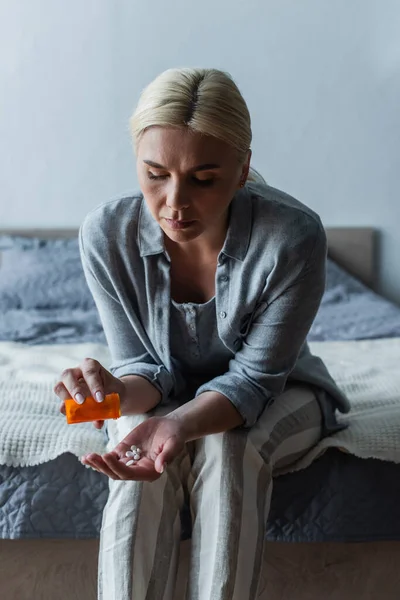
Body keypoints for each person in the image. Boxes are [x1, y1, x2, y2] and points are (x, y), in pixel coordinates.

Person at [54, 67, 350, 600]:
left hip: (283, 390)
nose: (174, 203)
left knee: (229, 447)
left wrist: (180, 426)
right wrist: (114, 395)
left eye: (203, 178)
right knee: (131, 442)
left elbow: (255, 383)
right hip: (166, 394)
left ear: (242, 171)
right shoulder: (106, 235)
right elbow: (146, 370)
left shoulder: (292, 237)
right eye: (155, 174)